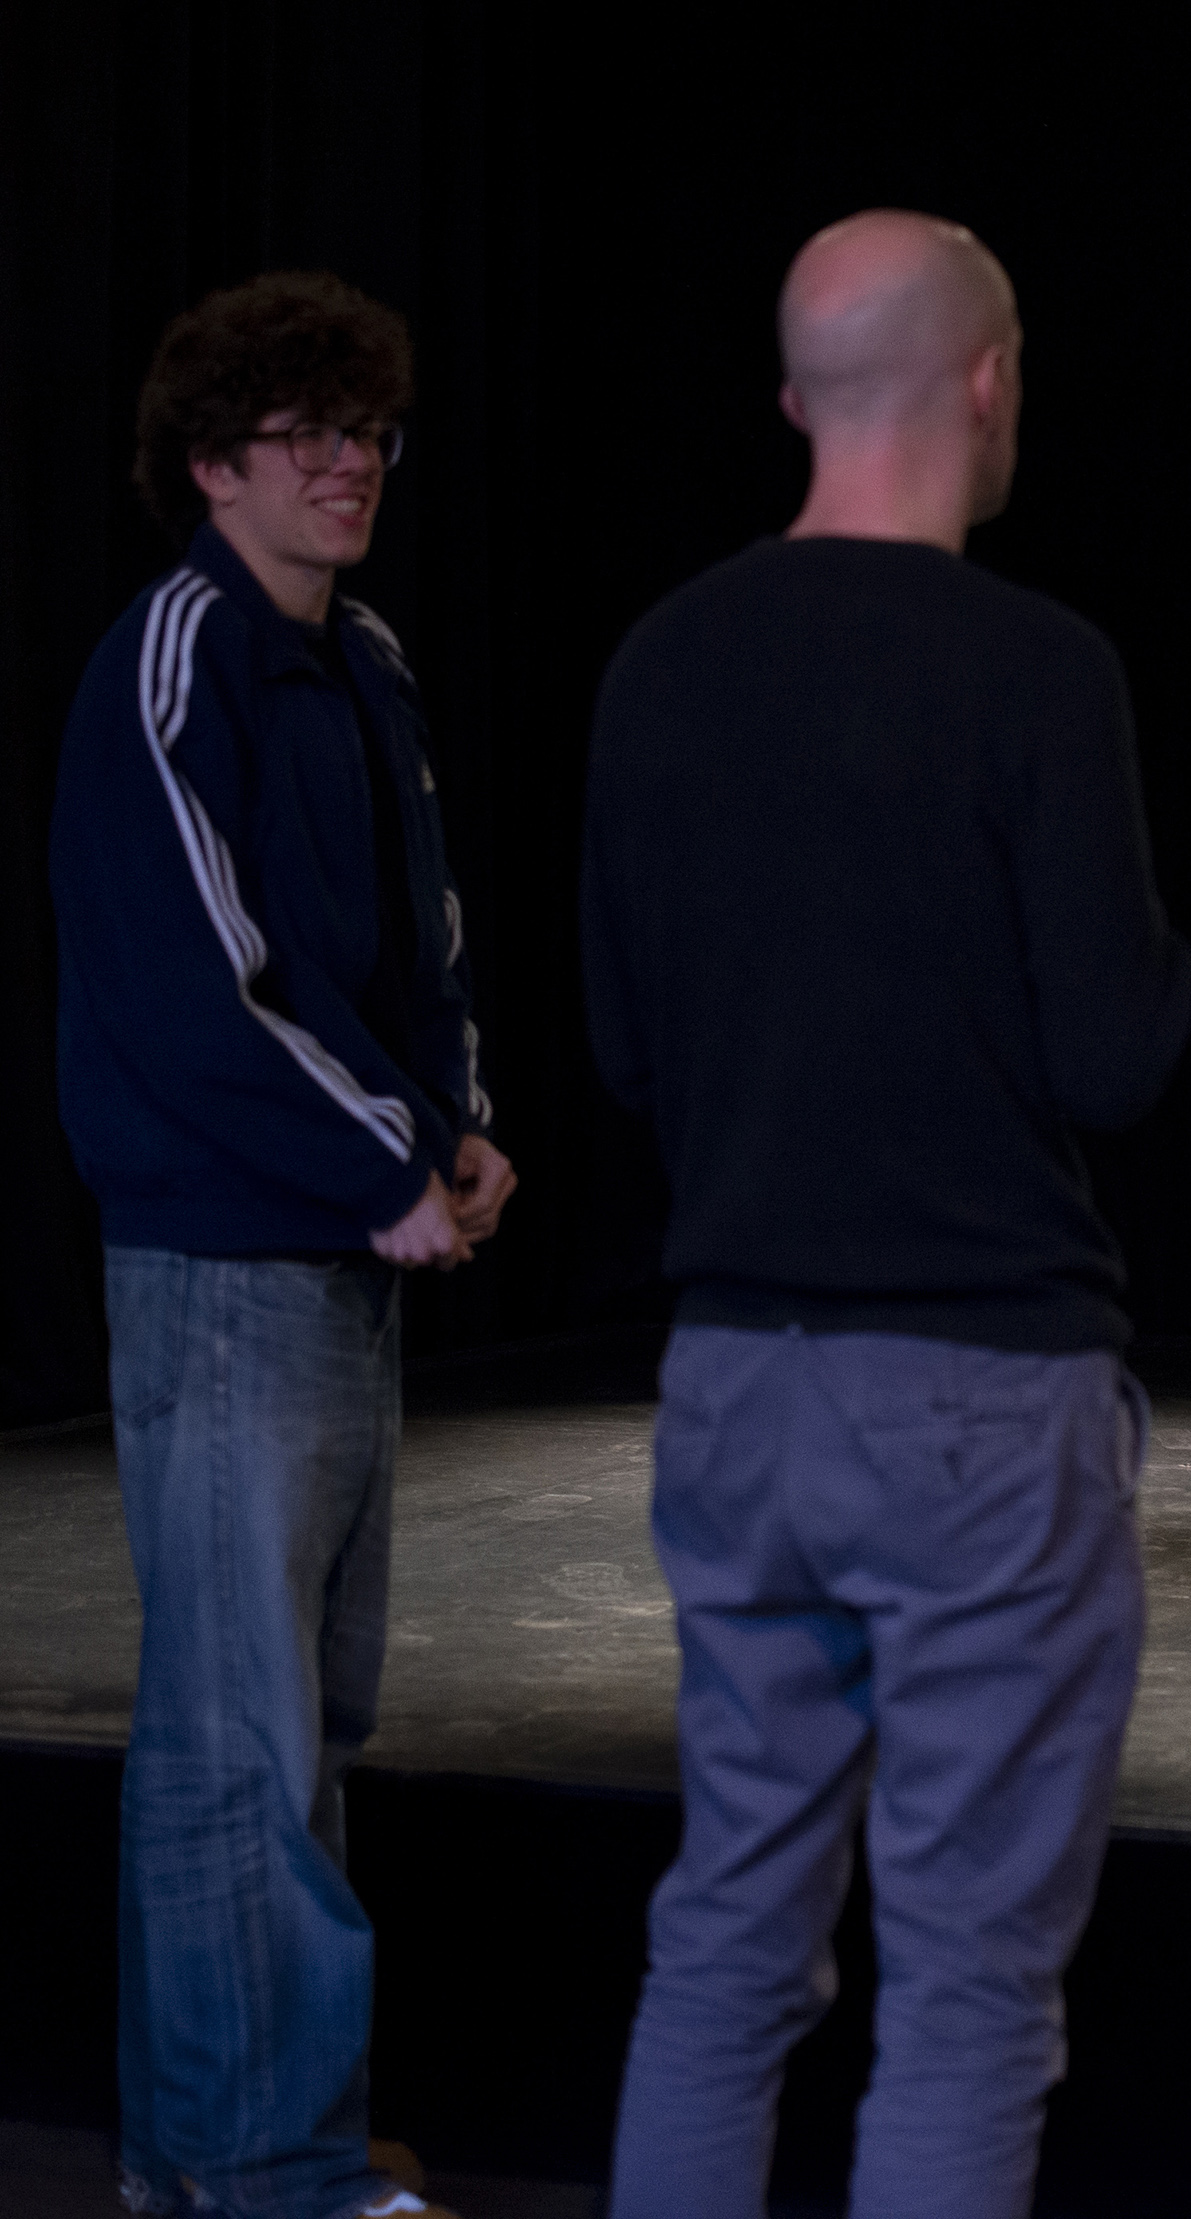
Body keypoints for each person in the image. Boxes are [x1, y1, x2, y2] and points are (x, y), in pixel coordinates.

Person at [582, 209, 1191, 2218]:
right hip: (979, 1390)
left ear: (795, 396)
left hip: (734, 1375)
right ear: (990, 380)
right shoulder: (1039, 670)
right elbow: (1113, 1052)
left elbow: (621, 1046)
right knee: (966, 1986)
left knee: (725, 1935)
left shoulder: (661, 659)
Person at [49, 271, 515, 2219]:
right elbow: (196, 987)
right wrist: (376, 1161)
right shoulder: (176, 656)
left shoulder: (368, 656)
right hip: (232, 1262)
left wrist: (453, 1124)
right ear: (212, 464)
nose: (349, 465)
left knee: (293, 1723)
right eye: (305, 435)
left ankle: (218, 2150)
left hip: (342, 1246)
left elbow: (423, 939)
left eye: (368, 431)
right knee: (241, 1740)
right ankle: (266, 2167)